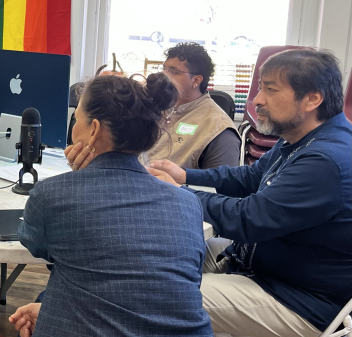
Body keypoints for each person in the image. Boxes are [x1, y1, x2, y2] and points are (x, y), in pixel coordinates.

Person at [149, 49, 352, 337]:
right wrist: (185, 175)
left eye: (270, 89)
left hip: (296, 298)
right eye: (259, 88)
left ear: (312, 99)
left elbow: (250, 219)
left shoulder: (326, 161)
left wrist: (180, 192)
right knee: (157, 254)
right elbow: (250, 177)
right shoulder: (300, 137)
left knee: (156, 294)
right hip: (258, 264)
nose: (257, 100)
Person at [9, 73, 213, 337]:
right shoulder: (188, 203)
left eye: (77, 119)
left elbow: (39, 245)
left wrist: (76, 180)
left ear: (93, 130)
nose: (73, 128)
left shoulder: (52, 194)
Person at [148, 42, 241, 169]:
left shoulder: (219, 129)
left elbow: (223, 186)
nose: (163, 76)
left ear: (196, 80)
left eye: (173, 71)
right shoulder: (155, 107)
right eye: (164, 69)